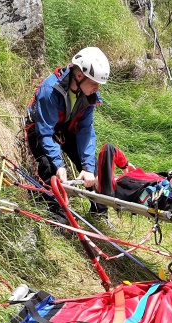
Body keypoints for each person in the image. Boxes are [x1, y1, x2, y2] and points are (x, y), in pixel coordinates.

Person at [24, 47, 110, 219]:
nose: (97, 88)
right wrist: (59, 165)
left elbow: (86, 130)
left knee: (94, 169)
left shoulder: (88, 96)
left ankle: (99, 213)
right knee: (49, 169)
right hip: (40, 130)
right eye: (94, 83)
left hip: (66, 128)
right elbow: (46, 133)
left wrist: (87, 167)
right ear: (79, 75)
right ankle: (59, 219)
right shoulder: (50, 90)